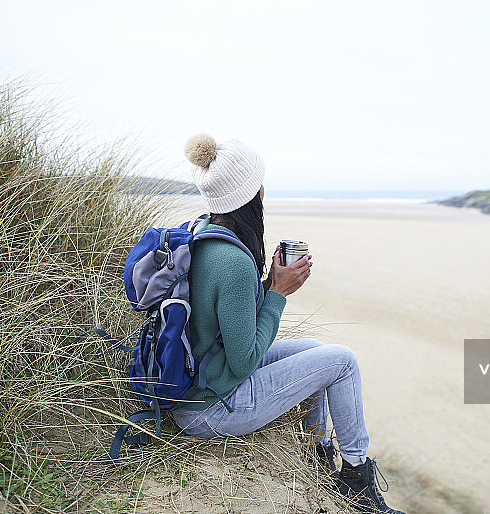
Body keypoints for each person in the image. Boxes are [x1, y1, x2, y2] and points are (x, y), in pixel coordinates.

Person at [170, 134, 404, 514]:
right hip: (209, 410)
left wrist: (265, 286)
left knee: (315, 350)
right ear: (255, 194)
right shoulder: (234, 262)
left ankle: (315, 454)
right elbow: (244, 360)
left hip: (201, 377)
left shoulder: (203, 235)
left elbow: (227, 320)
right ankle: (357, 479)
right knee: (342, 360)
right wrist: (277, 294)